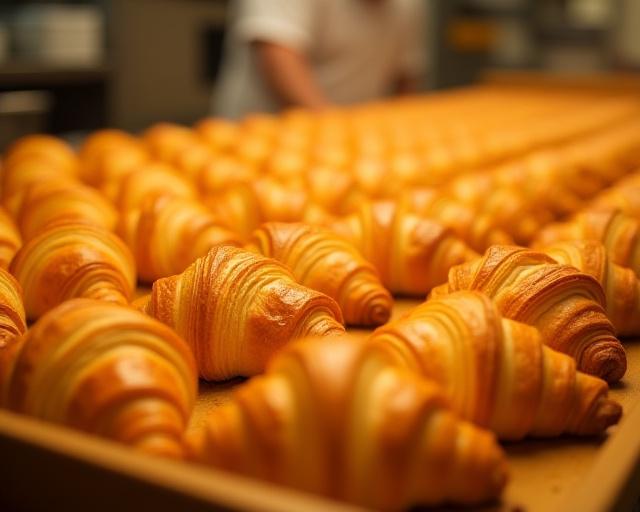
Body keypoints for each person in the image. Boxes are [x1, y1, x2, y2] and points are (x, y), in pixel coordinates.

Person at [214, 0, 428, 118]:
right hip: (265, 137)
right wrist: (333, 128)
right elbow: (277, 54)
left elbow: (406, 74)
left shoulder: (410, 6)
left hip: (349, 143)